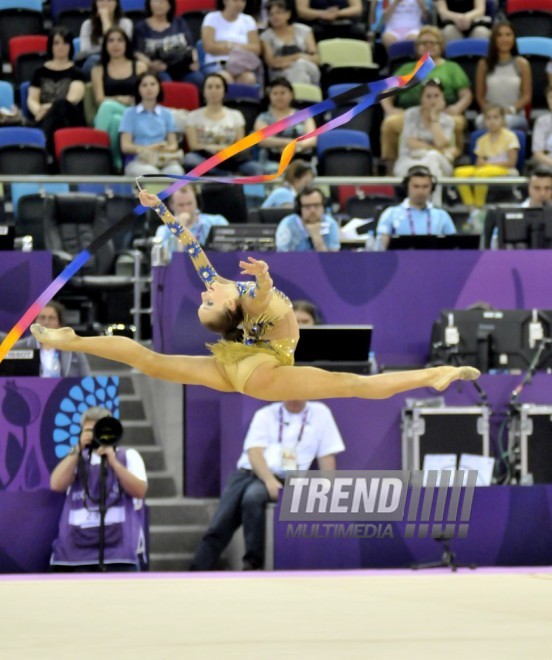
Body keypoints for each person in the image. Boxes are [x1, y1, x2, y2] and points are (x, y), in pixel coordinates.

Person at [30, 188, 479, 404]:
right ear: (229, 308)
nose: (204, 292)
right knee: (352, 385)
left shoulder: (220, 285)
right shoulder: (246, 299)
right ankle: (432, 374)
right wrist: (262, 278)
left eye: (205, 300)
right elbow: (262, 300)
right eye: (207, 301)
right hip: (260, 367)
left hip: (245, 365)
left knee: (151, 362)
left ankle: (72, 340)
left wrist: (162, 209)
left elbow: (190, 243)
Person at [190, 398, 345, 570]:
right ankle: (196, 570)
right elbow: (254, 452)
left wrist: (328, 491)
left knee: (253, 498)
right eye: (289, 395)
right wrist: (269, 480)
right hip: (248, 474)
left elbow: (327, 455)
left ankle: (253, 564)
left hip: (285, 477)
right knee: (220, 524)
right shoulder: (266, 414)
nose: (294, 400)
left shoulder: (320, 414)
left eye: (299, 395)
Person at [49, 406, 148, 572]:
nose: (94, 435)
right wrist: (78, 449)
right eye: (89, 430)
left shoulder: (128, 456)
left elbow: (139, 491)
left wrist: (114, 462)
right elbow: (56, 484)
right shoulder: (76, 458)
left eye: (99, 430)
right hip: (74, 554)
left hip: (118, 553)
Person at [379, 26, 472, 173]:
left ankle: (453, 162)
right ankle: (390, 170)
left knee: (458, 123)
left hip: (443, 112)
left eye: (433, 42)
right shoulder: (407, 68)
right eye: (424, 43)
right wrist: (390, 109)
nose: (428, 46)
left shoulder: (452, 67)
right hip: (412, 113)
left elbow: (466, 94)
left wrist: (457, 108)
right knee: (389, 123)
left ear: (440, 46)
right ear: (417, 48)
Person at [184, 73, 262, 176]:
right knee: (190, 160)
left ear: (224, 91)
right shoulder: (193, 116)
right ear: (203, 91)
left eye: (218, 87)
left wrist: (224, 150)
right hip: (204, 158)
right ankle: (224, 175)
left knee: (256, 169)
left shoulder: (236, 115)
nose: (214, 91)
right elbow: (193, 145)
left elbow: (240, 145)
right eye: (210, 87)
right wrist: (211, 148)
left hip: (231, 158)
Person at [92, 27, 148, 170]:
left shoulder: (140, 67)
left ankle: (97, 152)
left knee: (107, 106)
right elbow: (99, 99)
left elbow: (146, 95)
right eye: (111, 41)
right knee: (115, 119)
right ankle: (116, 162)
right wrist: (119, 99)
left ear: (126, 44)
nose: (115, 44)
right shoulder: (98, 69)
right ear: (105, 45)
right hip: (110, 113)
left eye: (120, 40)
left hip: (135, 112)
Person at [27, 27, 86, 154]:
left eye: (65, 43)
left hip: (70, 117)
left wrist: (46, 108)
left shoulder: (77, 72)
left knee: (61, 104)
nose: (61, 47)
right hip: (44, 117)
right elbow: (32, 99)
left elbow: (73, 99)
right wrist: (38, 110)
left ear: (70, 46)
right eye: (57, 43)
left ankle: (45, 144)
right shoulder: (39, 72)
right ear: (51, 46)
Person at [454, 105, 520, 211]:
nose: (492, 121)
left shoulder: (510, 136)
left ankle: (479, 207)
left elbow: (511, 162)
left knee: (481, 173)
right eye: (488, 118)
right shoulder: (481, 140)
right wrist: (482, 164)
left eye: (495, 117)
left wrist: (487, 164)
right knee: (459, 172)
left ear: (503, 120)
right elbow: (479, 162)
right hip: (486, 168)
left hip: (505, 169)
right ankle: (471, 207)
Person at [119, 71, 185, 177]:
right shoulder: (129, 113)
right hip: (139, 160)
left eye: (153, 84)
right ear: (138, 89)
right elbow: (125, 146)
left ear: (159, 87)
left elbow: (173, 145)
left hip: (163, 158)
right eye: (144, 85)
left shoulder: (167, 114)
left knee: (176, 171)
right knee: (151, 173)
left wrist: (161, 148)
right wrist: (148, 148)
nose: (149, 88)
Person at [1, 302, 90, 377]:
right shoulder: (20, 347)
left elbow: (87, 380)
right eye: (42, 318)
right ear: (35, 323)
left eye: (51, 318)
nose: (46, 322)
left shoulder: (74, 350)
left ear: (59, 323)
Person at [376, 165, 456, 249]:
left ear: (432, 188)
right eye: (416, 186)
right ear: (407, 187)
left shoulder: (442, 215)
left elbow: (453, 247)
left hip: (434, 260)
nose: (420, 191)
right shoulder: (390, 214)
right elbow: (380, 249)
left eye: (425, 186)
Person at [394, 79, 457, 180]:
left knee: (433, 157)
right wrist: (437, 149)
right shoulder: (411, 115)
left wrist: (434, 117)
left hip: (440, 161)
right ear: (421, 98)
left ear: (443, 97)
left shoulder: (448, 120)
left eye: (436, 96)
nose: (432, 101)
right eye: (428, 96)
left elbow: (440, 143)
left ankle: (431, 194)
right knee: (432, 163)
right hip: (410, 160)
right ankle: (434, 195)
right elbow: (412, 143)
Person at [475, 21, 531, 131]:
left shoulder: (522, 64)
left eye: (508, 35)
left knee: (505, 123)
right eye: (499, 35)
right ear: (494, 39)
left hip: (515, 116)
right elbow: (480, 96)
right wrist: (491, 112)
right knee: (479, 122)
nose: (504, 39)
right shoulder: (483, 64)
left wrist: (510, 110)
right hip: (490, 114)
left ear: (514, 38)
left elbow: (526, 96)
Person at [133, 0, 203, 88]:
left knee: (198, 79)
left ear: (169, 5)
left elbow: (191, 46)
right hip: (159, 68)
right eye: (155, 1)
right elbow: (137, 52)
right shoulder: (141, 27)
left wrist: (195, 61)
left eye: (162, 2)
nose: (158, 5)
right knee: (166, 83)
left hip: (183, 66)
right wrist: (150, 64)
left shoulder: (179, 22)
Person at [254, 77, 317, 174]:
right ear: (269, 96)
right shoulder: (263, 118)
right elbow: (263, 140)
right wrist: (288, 143)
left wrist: (296, 148)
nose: (279, 97)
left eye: (283, 93)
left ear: (291, 95)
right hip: (272, 161)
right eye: (275, 93)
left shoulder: (304, 116)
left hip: (302, 159)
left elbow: (312, 139)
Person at [154, 185, 229, 257]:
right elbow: (172, 263)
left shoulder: (217, 221)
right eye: (181, 205)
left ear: (197, 201)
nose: (186, 209)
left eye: (190, 203)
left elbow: (230, 253)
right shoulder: (163, 231)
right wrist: (179, 229)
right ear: (171, 205)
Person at [201, 0, 262, 85]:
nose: (239, 4)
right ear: (225, 1)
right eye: (235, 1)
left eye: (243, 1)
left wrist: (228, 44)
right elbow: (209, 47)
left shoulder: (248, 20)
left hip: (241, 65)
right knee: (225, 79)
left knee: (249, 78)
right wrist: (244, 47)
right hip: (217, 63)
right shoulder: (211, 18)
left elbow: (256, 49)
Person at [260, 0, 321, 85]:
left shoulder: (304, 30)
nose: (275, 17)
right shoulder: (266, 36)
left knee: (300, 65)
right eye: (271, 14)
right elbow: (272, 62)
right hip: (280, 74)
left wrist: (291, 62)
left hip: (308, 68)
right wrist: (298, 56)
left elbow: (316, 59)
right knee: (298, 69)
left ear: (288, 14)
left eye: (278, 13)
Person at [78, 0, 134, 79]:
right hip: (95, 62)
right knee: (94, 59)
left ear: (116, 3)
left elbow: (125, 48)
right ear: (95, 3)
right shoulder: (87, 25)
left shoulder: (126, 23)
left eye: (109, 0)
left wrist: (105, 20)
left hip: (120, 60)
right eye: (101, 0)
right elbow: (85, 50)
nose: (105, 3)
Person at [275, 186, 340, 252]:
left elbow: (332, 260)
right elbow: (281, 256)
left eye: (316, 205)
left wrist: (317, 239)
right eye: (307, 206)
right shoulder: (288, 224)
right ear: (299, 208)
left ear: (323, 206)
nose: (312, 210)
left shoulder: (331, 224)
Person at [295, 0, 366, 42]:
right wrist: (322, 14)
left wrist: (337, 13)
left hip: (344, 22)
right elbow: (301, 11)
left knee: (358, 30)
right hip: (315, 22)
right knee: (315, 31)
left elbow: (357, 8)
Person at [531, 86, 552, 170]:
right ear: (547, 100)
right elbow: (538, 154)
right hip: (548, 164)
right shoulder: (542, 121)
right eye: (551, 98)